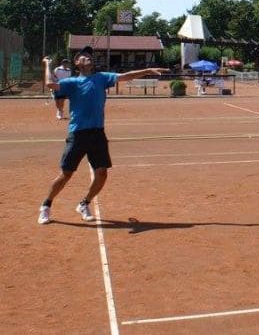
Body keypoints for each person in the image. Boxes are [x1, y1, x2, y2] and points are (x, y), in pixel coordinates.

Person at [37, 46, 166, 225]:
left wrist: (147, 70)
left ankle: (84, 203)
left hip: (97, 133)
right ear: (77, 63)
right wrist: (48, 65)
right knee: (66, 174)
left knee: (102, 173)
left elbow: (125, 76)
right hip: (78, 133)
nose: (87, 58)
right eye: (83, 57)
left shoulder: (101, 78)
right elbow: (50, 84)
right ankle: (46, 206)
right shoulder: (72, 82)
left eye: (89, 56)